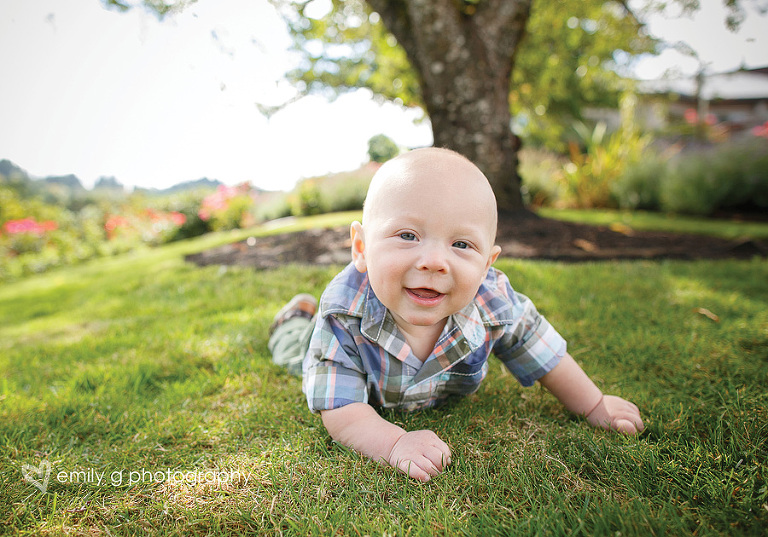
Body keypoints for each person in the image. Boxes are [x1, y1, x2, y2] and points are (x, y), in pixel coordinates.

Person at [268, 147, 644, 482]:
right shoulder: (342, 317)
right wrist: (396, 443)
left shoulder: (493, 302)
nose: (434, 262)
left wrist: (594, 403)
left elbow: (544, 353)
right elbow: (342, 410)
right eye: (408, 235)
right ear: (362, 247)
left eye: (461, 244)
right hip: (316, 347)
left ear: (486, 265)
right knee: (292, 350)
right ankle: (294, 317)